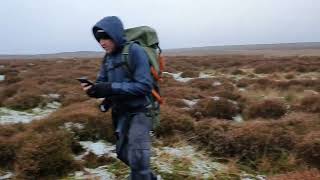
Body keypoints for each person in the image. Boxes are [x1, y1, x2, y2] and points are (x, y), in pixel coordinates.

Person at [81, 16, 157, 180]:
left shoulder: (135, 51)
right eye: (99, 39)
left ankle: (141, 175)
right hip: (120, 112)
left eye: (106, 37)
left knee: (138, 158)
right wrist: (94, 90)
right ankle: (147, 177)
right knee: (123, 153)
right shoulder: (107, 58)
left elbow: (145, 86)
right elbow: (102, 82)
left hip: (140, 112)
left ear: (115, 35)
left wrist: (111, 87)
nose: (102, 42)